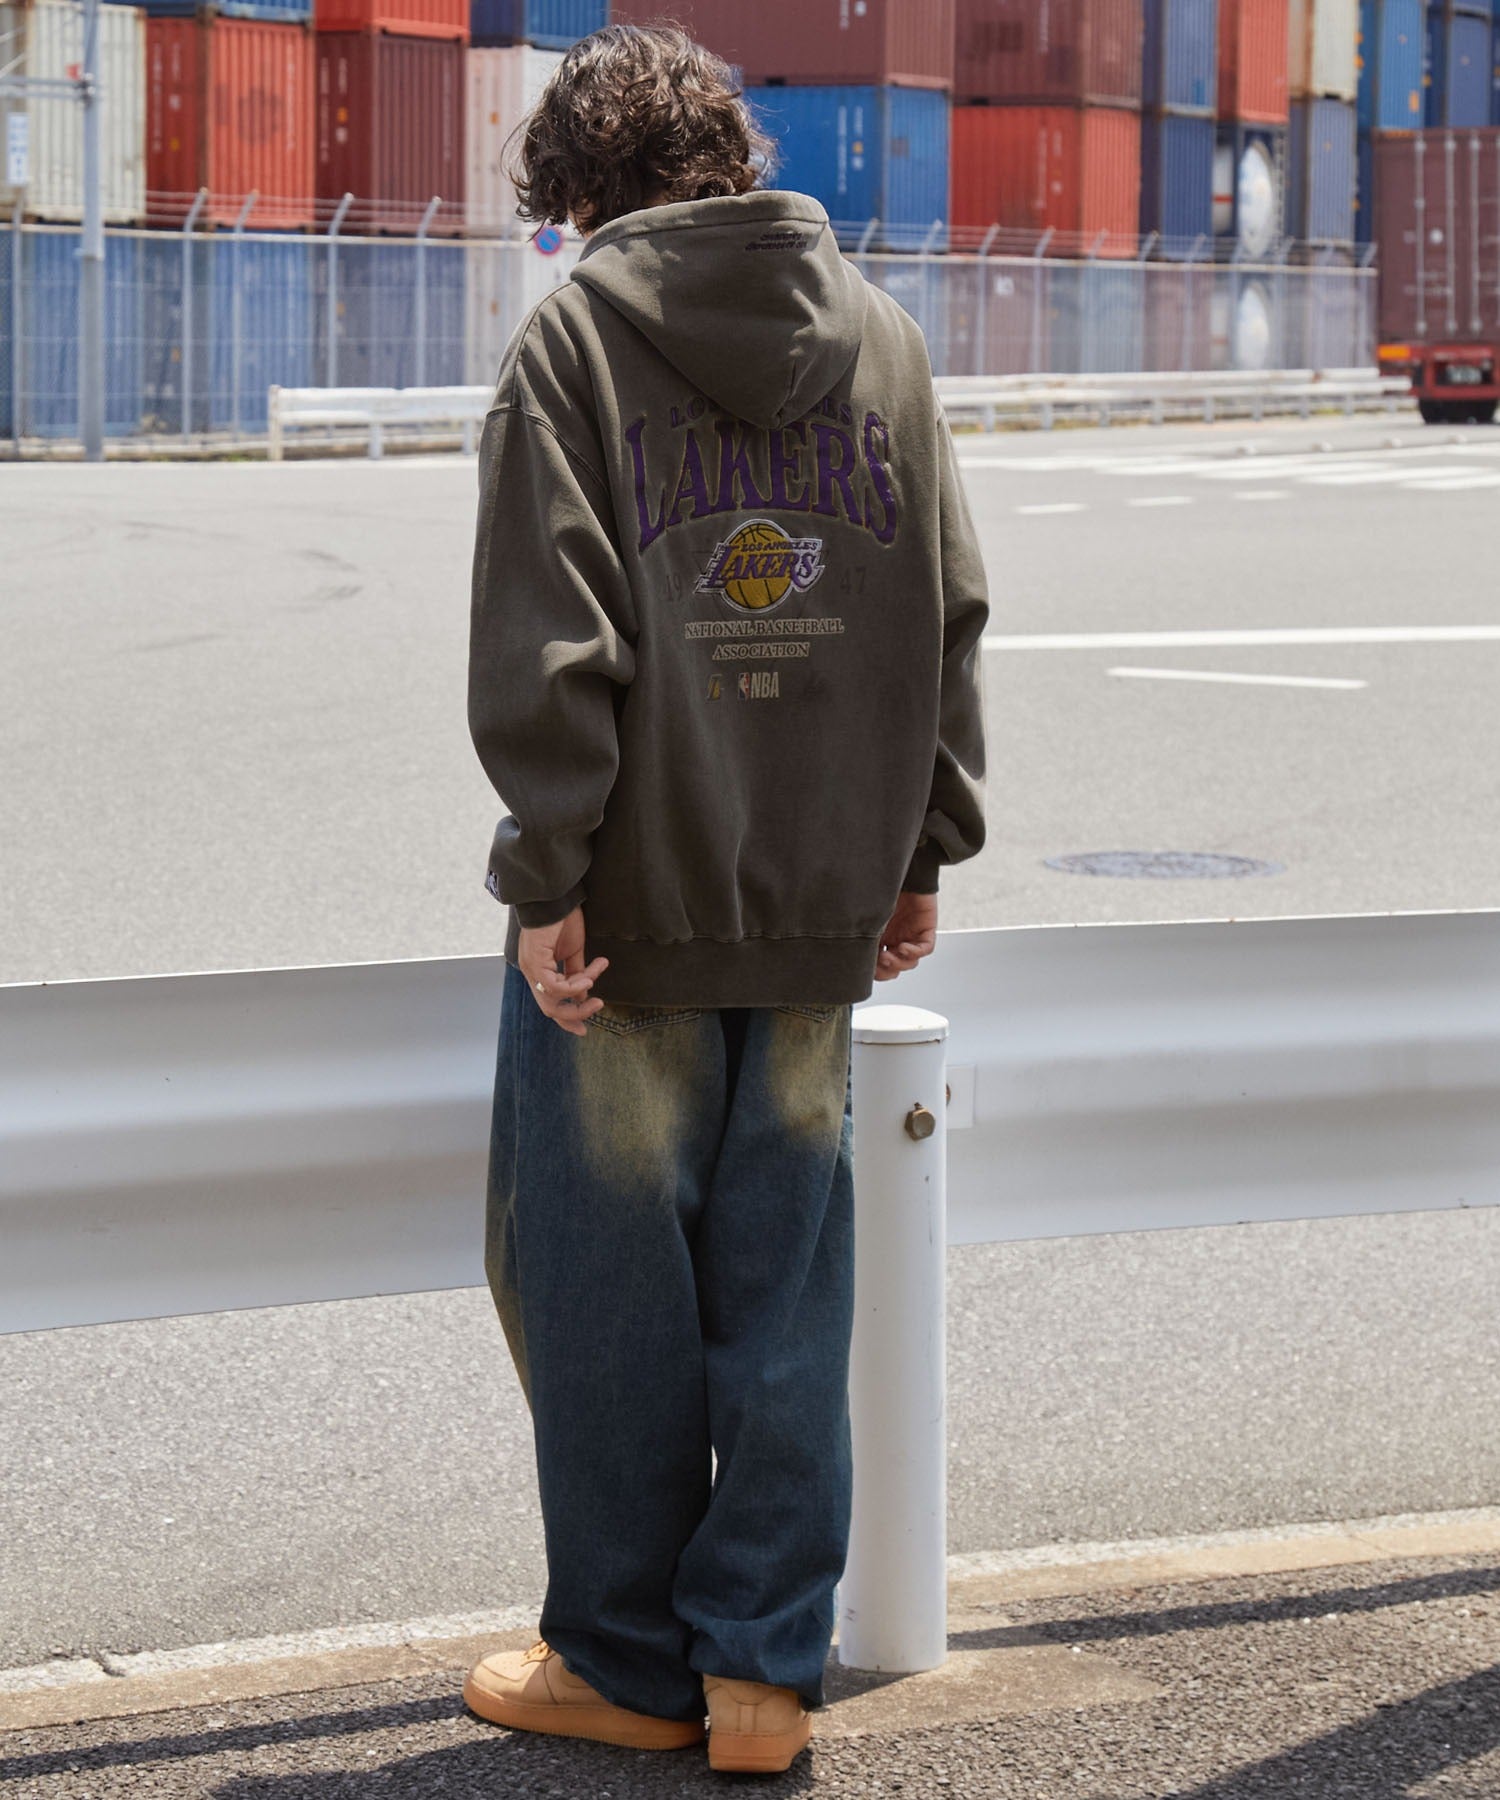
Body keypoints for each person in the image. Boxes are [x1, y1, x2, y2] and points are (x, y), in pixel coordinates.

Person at [462, 22, 988, 1776]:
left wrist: (547, 871)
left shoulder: (576, 341)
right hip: (824, 898)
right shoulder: (884, 339)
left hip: (628, 914)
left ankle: (622, 1661)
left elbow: (553, 637)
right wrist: (922, 846)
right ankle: (760, 1673)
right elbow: (946, 609)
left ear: (587, 192)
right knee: (787, 1282)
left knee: (599, 1285)